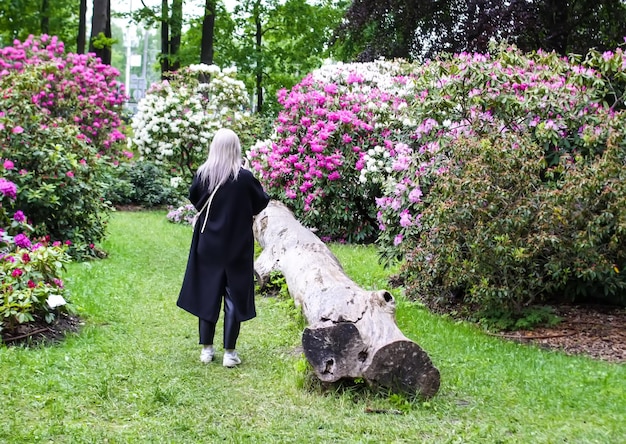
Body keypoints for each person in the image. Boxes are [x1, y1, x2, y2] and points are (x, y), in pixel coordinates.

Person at [177, 128, 270, 367]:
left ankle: (206, 350)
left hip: (208, 242)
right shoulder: (245, 177)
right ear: (236, 148)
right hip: (237, 244)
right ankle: (230, 353)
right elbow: (261, 202)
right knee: (233, 295)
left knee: (208, 292)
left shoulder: (203, 174)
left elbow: (194, 198)